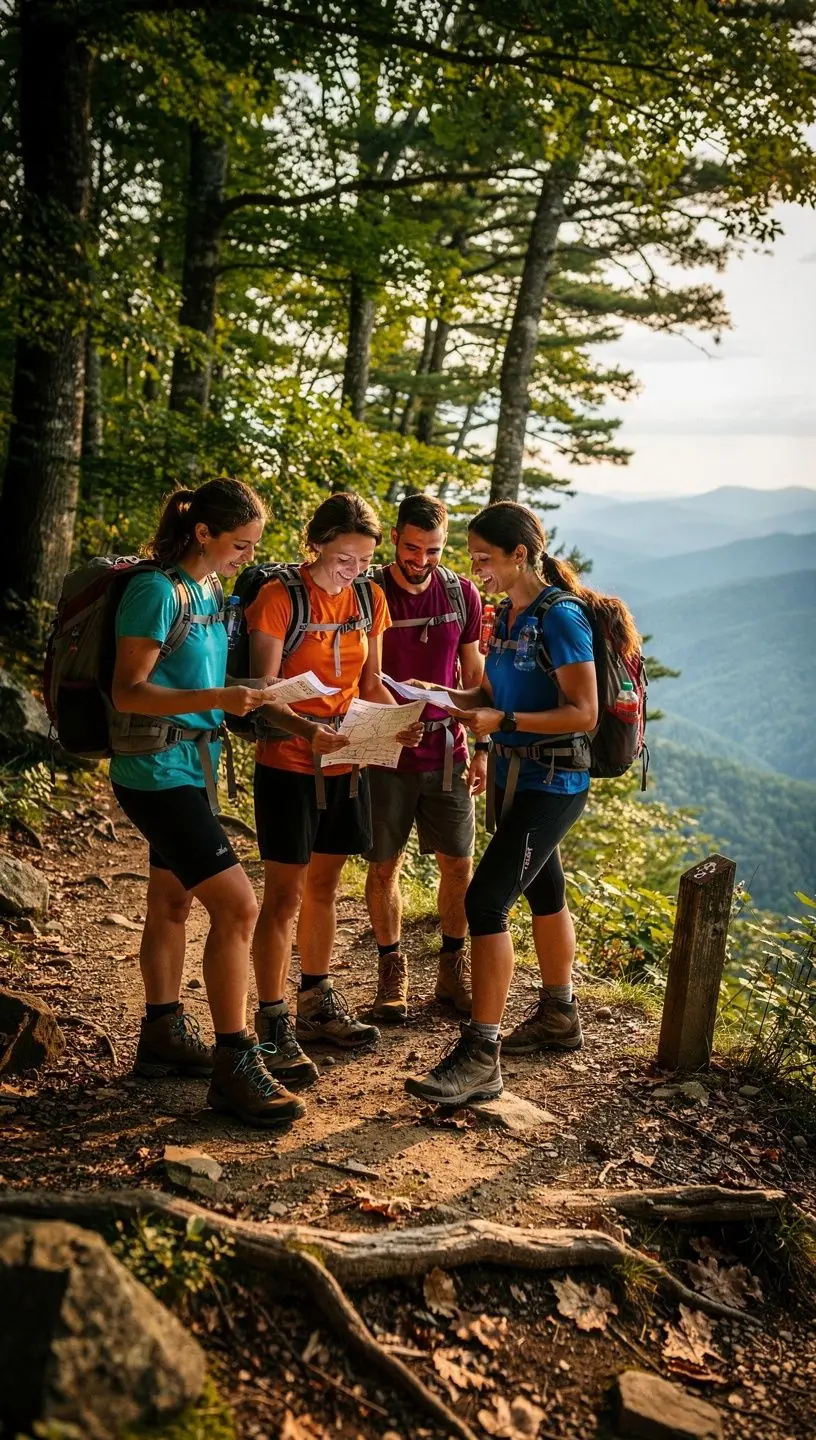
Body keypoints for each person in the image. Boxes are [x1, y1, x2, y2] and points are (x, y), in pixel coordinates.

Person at [406, 500, 639, 1106]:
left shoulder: (560, 617)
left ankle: (482, 1055)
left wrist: (500, 718)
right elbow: (488, 688)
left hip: (554, 782)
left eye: (484, 558)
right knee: (545, 890)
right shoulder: (506, 614)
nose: (475, 568)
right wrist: (444, 695)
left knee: (485, 903)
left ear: (519, 554)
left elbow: (583, 713)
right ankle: (560, 1017)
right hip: (517, 777)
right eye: (472, 558)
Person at [111, 478, 306, 1128]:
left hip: (191, 767)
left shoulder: (211, 591)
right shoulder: (155, 591)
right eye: (239, 543)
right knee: (240, 906)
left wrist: (267, 704)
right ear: (203, 533)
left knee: (171, 902)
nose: (247, 555)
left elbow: (202, 681)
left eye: (253, 545)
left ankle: (162, 1034)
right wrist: (219, 702)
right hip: (153, 771)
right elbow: (129, 693)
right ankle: (235, 1061)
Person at [246, 492, 423, 1080]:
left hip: (348, 761)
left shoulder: (370, 598)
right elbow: (261, 694)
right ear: (316, 543)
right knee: (284, 897)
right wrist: (306, 729)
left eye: (365, 559)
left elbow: (370, 680)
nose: (355, 570)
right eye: (344, 558)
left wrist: (399, 720)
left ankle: (315, 1003)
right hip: (288, 766)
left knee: (325, 887)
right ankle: (271, 1023)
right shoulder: (278, 600)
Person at [364, 493, 486, 1023]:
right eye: (412, 548)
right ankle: (391, 973)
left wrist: (483, 746)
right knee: (382, 866)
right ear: (394, 538)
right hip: (384, 752)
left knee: (458, 866)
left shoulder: (462, 595)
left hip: (447, 752)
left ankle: (452, 970)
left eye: (432, 550)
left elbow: (475, 680)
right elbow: (358, 673)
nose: (420, 561)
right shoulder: (367, 591)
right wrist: (393, 721)